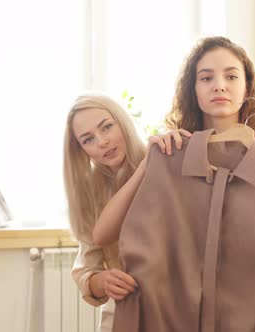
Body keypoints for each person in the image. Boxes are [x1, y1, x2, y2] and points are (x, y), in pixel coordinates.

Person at [93, 36, 255, 283]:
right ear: (193, 90)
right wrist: (148, 162)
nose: (219, 86)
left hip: (251, 311)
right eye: (206, 78)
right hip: (179, 311)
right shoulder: (171, 157)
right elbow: (103, 234)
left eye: (231, 76)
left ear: (247, 88)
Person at [64, 92, 188, 331]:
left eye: (107, 127)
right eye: (87, 139)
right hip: (123, 314)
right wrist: (102, 282)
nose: (102, 142)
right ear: (80, 150)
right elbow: (86, 269)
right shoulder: (89, 192)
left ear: (123, 121)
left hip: (177, 312)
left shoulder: (166, 160)